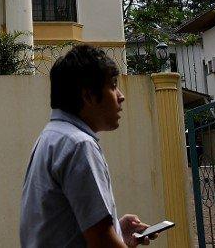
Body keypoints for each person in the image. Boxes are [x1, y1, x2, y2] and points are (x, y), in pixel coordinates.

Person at [20, 44, 152, 248]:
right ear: (88, 95)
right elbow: (102, 243)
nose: (120, 95)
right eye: (113, 85)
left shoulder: (51, 137)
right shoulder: (79, 145)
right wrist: (111, 237)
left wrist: (117, 231)